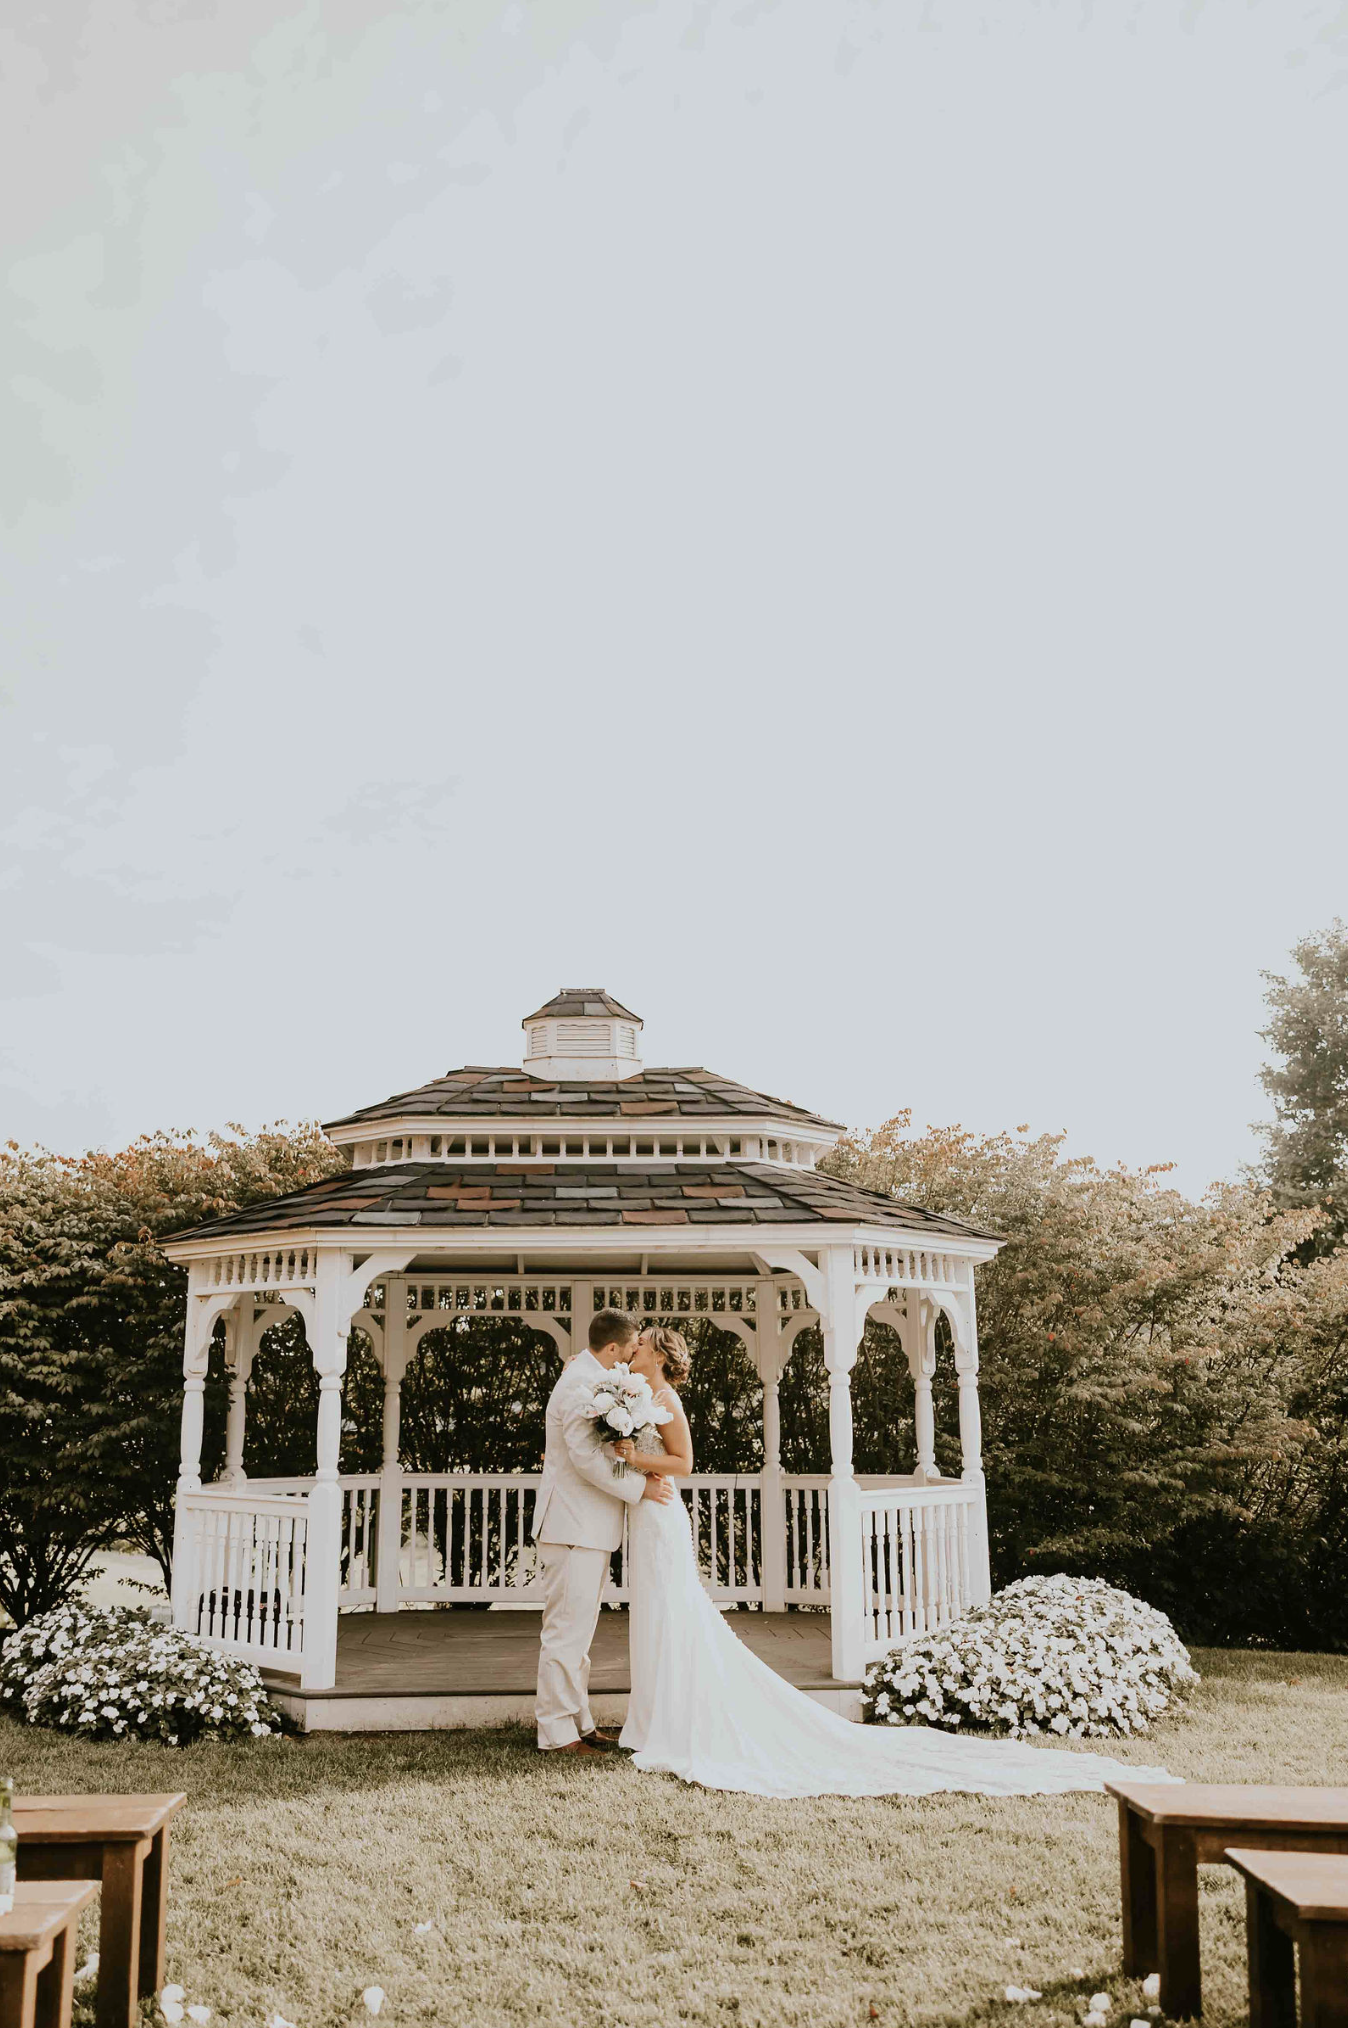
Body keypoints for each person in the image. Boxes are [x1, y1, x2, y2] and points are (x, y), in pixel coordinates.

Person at [612, 1325, 1180, 1798]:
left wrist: (634, 1457)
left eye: (639, 1346)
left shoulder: (665, 1402)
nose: (632, 1351)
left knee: (673, 1612)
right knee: (658, 1613)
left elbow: (684, 1463)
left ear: (658, 1355)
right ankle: (655, 1716)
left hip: (662, 1515)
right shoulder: (640, 1399)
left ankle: (671, 1720)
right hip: (649, 1513)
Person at [533, 1307, 674, 1755]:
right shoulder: (580, 1384)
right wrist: (640, 1488)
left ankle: (580, 1721)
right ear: (612, 1347)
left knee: (579, 1633)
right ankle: (555, 1733)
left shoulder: (588, 1375)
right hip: (571, 1525)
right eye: (631, 1347)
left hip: (586, 1526)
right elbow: (585, 1458)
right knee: (565, 1632)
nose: (634, 1354)